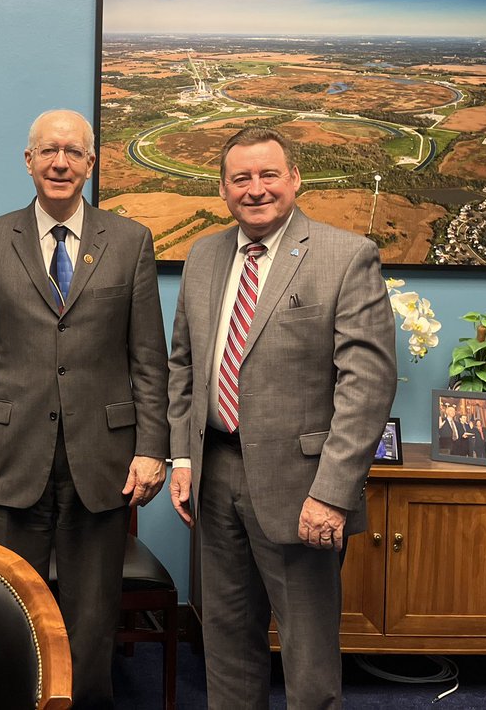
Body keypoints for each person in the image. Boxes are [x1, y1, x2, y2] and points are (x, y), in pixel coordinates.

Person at [167, 126, 396, 709]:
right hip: (215, 475)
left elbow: (366, 387)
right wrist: (183, 456)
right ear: (223, 189)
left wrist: (334, 493)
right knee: (225, 638)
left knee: (307, 651)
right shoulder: (203, 256)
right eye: (241, 178)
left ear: (295, 179)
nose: (256, 189)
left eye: (269, 174)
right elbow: (184, 366)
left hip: (303, 488)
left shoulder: (345, 256)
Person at [0, 109, 169, 709]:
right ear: (28, 161)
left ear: (91, 164)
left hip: (102, 458)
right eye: (48, 151)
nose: (60, 163)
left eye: (73, 152)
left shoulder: (130, 241)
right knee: (9, 608)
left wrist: (153, 448)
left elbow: (148, 357)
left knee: (91, 620)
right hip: (9, 454)